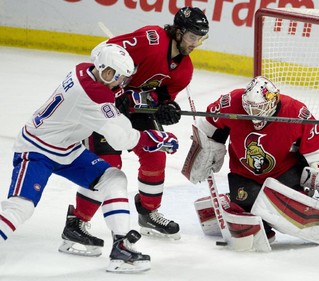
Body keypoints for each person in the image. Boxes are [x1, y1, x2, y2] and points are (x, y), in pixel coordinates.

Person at [0, 44, 179, 273]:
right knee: (21, 207)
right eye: (117, 77)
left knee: (113, 178)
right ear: (105, 71)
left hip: (67, 148)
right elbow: (121, 138)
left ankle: (121, 246)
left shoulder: (85, 69)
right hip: (37, 150)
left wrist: (129, 98)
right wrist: (156, 138)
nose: (119, 83)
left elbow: (110, 98)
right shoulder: (92, 95)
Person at [58, 6, 209, 255]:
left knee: (156, 153)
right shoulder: (151, 39)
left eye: (200, 38)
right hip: (105, 106)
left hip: (135, 108)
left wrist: (166, 108)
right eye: (193, 37)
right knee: (107, 165)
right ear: (179, 32)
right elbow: (100, 53)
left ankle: (148, 212)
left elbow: (161, 97)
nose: (196, 43)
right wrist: (111, 94)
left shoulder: (185, 70)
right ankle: (77, 222)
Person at [185, 76, 319, 242]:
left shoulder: (295, 111)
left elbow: (317, 148)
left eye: (259, 108)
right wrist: (204, 148)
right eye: (249, 108)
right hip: (244, 173)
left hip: (284, 173)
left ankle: (306, 193)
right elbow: (208, 125)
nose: (254, 114)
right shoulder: (231, 101)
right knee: (250, 205)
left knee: (281, 206)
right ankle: (238, 206)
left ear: (273, 100)